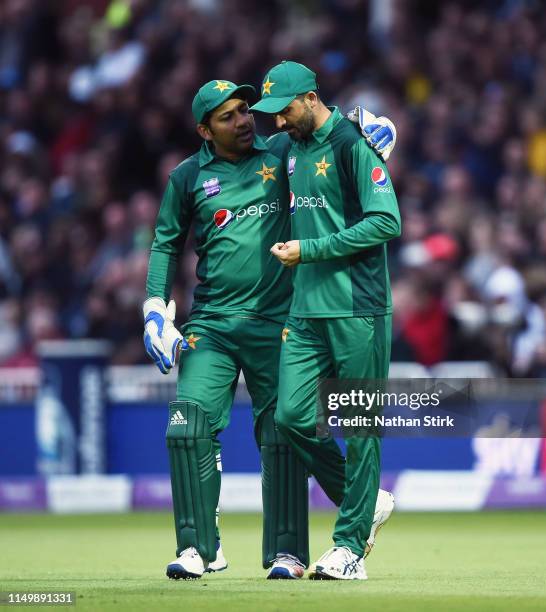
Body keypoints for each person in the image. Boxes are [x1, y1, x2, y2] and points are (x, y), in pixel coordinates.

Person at [143, 78, 396, 580]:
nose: (244, 121)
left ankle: (288, 553)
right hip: (211, 323)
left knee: (286, 430)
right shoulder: (187, 176)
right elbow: (165, 242)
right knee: (188, 426)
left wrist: (370, 123)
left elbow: (323, 123)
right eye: (228, 116)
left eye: (244, 110)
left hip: (279, 320)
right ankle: (200, 549)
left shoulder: (283, 148)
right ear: (203, 130)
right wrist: (153, 304)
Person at [251, 60, 401, 580]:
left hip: (358, 307)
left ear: (312, 98)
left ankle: (350, 548)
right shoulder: (288, 149)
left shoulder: (354, 145)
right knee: (290, 417)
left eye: (284, 109)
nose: (277, 122)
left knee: (362, 429)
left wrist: (310, 249)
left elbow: (388, 220)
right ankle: (365, 502)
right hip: (305, 309)